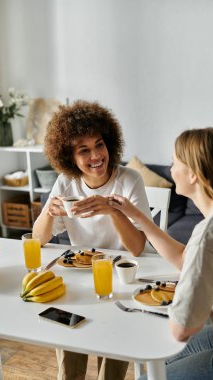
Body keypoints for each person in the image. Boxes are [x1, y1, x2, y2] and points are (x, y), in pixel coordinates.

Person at [109, 127, 213, 380]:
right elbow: (186, 260)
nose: (171, 171)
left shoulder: (212, 233)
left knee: (147, 376)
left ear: (193, 175)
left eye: (174, 163)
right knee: (161, 360)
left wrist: (184, 294)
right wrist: (138, 216)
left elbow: (181, 329)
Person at [33, 100, 153, 380]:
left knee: (115, 342)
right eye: (83, 150)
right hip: (81, 277)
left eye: (99, 144)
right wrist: (50, 212)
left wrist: (112, 210)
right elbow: (37, 239)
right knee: (66, 325)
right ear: (69, 158)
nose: (96, 155)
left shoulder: (129, 180)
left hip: (124, 279)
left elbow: (137, 247)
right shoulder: (66, 183)